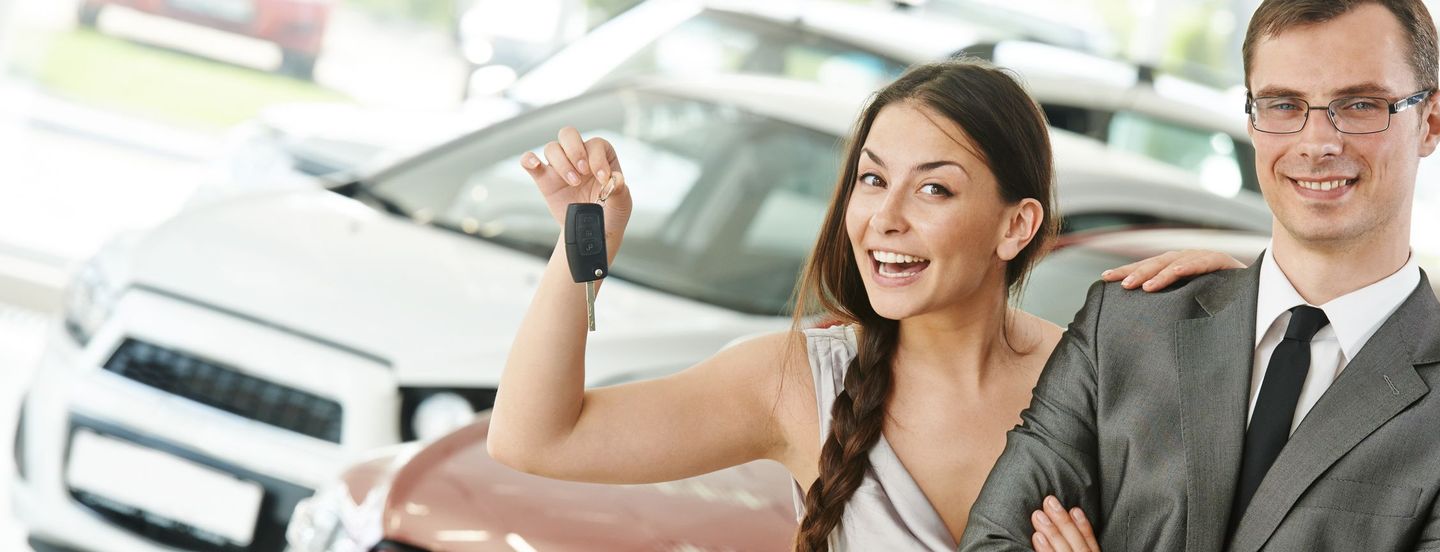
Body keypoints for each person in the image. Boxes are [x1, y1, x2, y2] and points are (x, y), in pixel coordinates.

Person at [485, 58, 1243, 550]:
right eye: (873, 179)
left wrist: (1255, 304)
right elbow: (536, 438)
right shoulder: (795, 382)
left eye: (934, 188)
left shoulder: (1107, 384)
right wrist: (584, 242)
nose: (885, 217)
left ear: (1016, 226)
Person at [961, 2, 1440, 551]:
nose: (1317, 142)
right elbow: (992, 542)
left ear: (1431, 122)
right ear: (1252, 118)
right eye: (1283, 105)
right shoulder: (1123, 323)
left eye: (1360, 105)